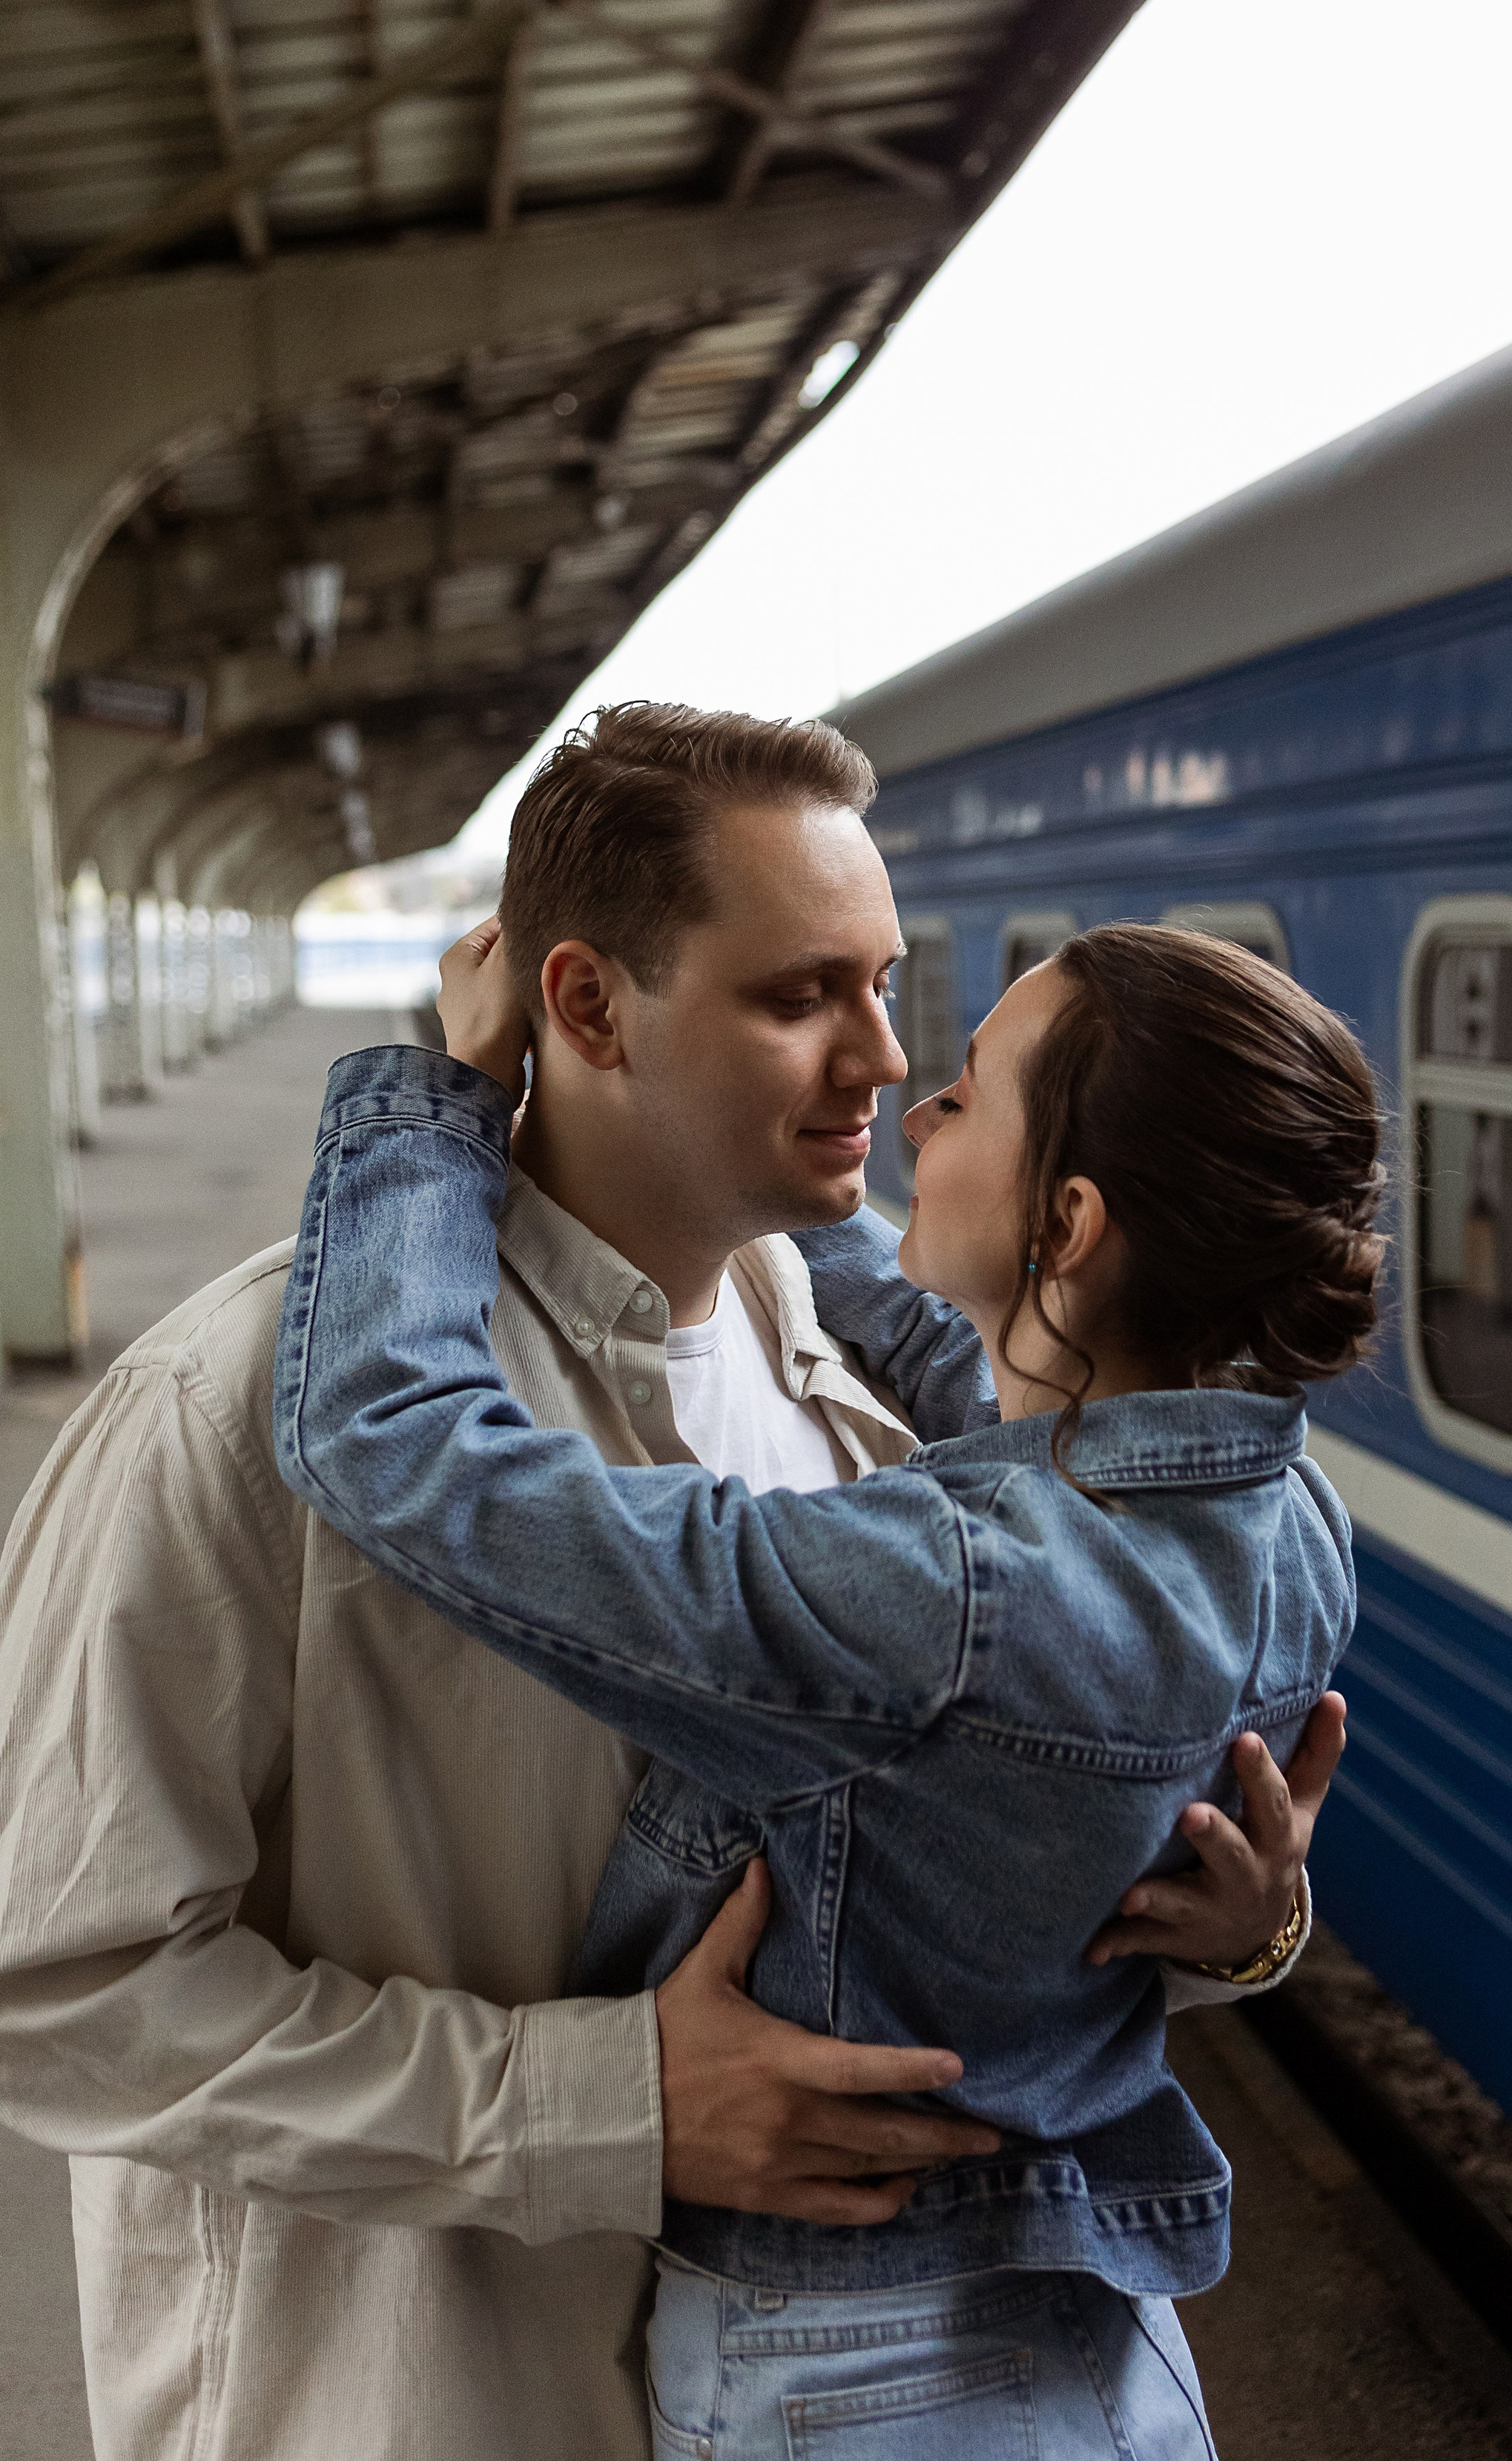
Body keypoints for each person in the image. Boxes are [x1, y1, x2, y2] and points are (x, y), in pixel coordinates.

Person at [0, 703, 1330, 2461]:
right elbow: (53, 1989)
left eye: (885, 981)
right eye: (799, 999)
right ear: (584, 1005)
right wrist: (601, 2110)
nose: (881, 1057)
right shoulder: (230, 1404)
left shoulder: (873, 1381)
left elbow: (945, 1879)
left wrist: (1236, 1930)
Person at [272, 891, 1386, 2457]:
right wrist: (726, 1136)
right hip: (1099, 2340)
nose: (914, 1097)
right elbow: (981, 1377)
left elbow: (388, 1441)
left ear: (1065, 1228)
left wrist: (440, 1094)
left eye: (971, 1089)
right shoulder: (1288, 1525)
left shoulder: (941, 1590)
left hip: (861, 2379)